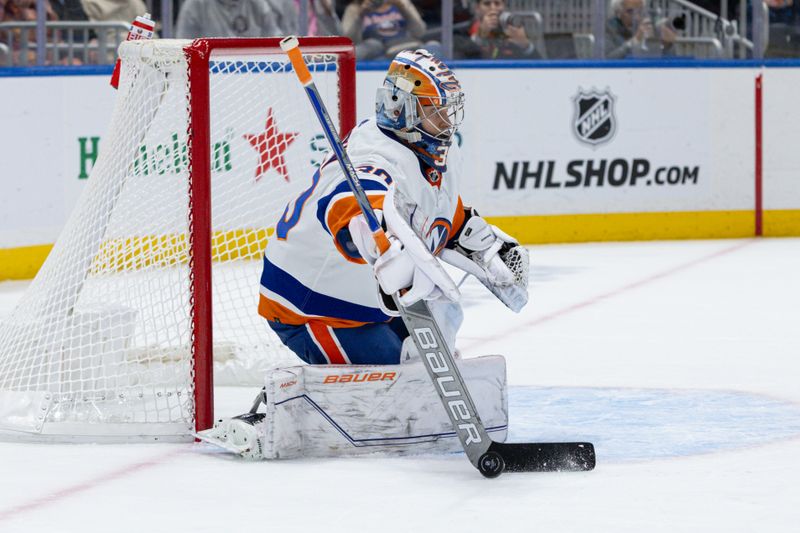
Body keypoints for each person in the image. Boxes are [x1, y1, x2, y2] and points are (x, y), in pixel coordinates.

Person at [200, 48, 529, 458]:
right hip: (312, 308)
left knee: (431, 350)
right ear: (402, 109)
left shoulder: (432, 153)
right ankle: (268, 417)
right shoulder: (373, 156)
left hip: (364, 302)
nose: (445, 122)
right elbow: (351, 205)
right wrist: (374, 241)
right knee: (404, 377)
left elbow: (435, 206)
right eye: (434, 112)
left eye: (447, 112)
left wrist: (478, 238)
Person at [341, 0, 439, 59]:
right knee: (373, 46)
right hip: (381, 55)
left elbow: (420, 32)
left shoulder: (402, 2)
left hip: (408, 47)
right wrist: (360, 15)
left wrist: (404, 9)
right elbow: (349, 42)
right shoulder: (354, 9)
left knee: (434, 46)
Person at [175, 0, 287, 39]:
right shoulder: (194, 5)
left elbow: (277, 45)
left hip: (254, 77)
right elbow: (183, 50)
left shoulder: (258, 4)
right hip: (209, 78)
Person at [468, 0, 540, 59]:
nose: (493, 8)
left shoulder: (514, 29)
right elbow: (462, 62)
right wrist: (480, 36)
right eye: (487, 4)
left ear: (504, 6)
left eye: (497, 3)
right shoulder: (465, 30)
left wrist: (525, 45)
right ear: (477, 8)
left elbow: (540, 68)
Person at [605, 0, 676, 59]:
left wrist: (666, 45)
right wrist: (635, 40)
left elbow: (664, 62)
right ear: (618, 13)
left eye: (640, 11)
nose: (636, 17)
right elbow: (607, 60)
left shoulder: (650, 27)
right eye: (630, 12)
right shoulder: (608, 29)